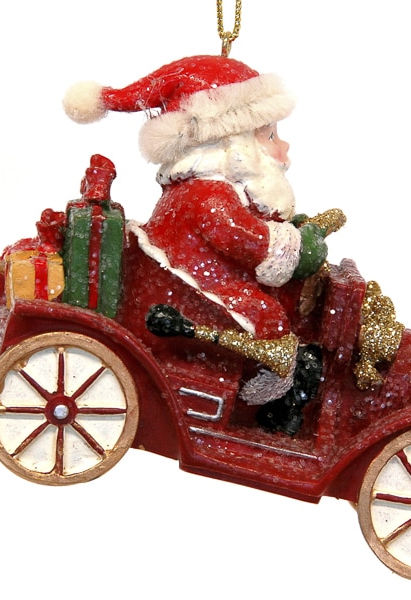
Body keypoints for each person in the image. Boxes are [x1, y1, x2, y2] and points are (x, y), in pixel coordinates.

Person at [63, 55, 329, 435]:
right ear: (232, 144)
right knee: (270, 317)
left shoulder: (207, 190)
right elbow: (250, 242)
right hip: (194, 295)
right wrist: (302, 249)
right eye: (270, 136)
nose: (283, 148)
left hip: (192, 282)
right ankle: (262, 406)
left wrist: (288, 226)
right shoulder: (209, 196)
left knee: (281, 304)